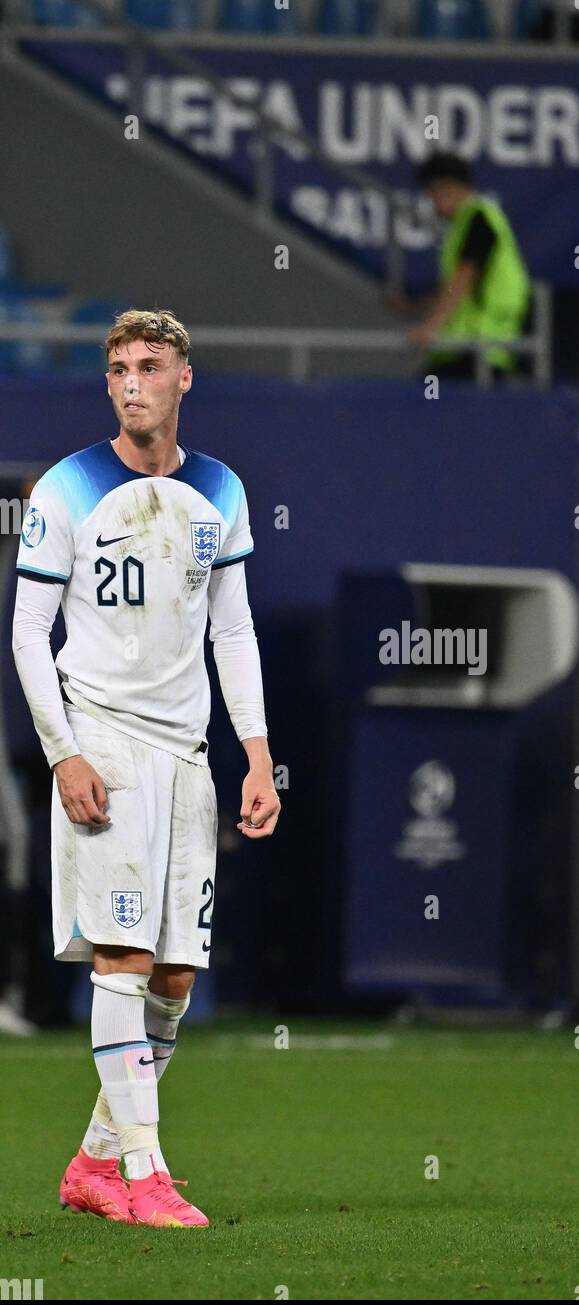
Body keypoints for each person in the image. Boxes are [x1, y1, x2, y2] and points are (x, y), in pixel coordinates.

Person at [11, 308, 280, 1227]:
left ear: (183, 379)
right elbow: (26, 635)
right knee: (123, 962)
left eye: (150, 365)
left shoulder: (222, 491)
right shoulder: (66, 489)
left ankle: (94, 1164)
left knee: (174, 979)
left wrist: (256, 755)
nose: (133, 382)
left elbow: (233, 629)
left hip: (189, 755)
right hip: (106, 743)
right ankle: (145, 1173)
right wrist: (65, 753)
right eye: (119, 367)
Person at [393, 152, 532, 381]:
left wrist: (431, 326)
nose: (434, 204)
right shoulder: (464, 224)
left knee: (423, 402)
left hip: (480, 345)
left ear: (446, 187)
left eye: (433, 194)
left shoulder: (479, 218)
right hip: (466, 346)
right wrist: (416, 307)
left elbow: (464, 280)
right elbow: (456, 286)